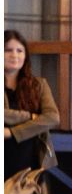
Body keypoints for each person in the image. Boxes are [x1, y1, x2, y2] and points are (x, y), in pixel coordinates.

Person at [4, 30, 59, 181]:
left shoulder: (39, 85)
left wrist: (12, 132)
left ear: (25, 56)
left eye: (19, 50)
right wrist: (30, 117)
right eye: (8, 50)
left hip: (31, 161)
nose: (14, 55)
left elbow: (53, 118)